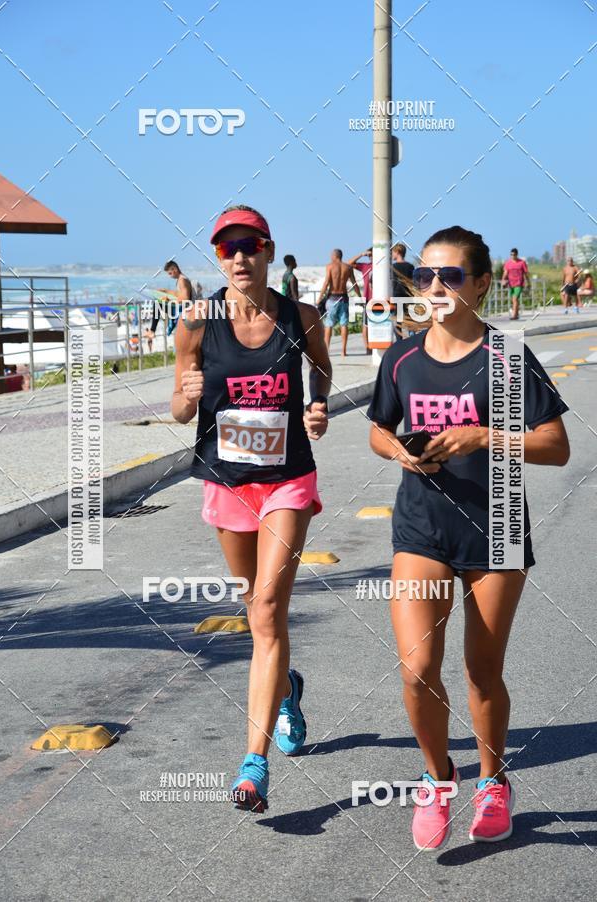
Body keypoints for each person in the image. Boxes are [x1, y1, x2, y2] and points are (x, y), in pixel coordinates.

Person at [367, 225, 569, 851]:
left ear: (481, 283)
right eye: (424, 276)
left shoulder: (507, 358)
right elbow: (377, 429)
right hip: (421, 527)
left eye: (450, 276)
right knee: (416, 668)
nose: (434, 287)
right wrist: (400, 451)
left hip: (498, 525)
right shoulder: (400, 357)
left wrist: (485, 436)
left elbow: (555, 447)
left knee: (482, 672)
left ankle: (492, 780)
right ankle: (436, 779)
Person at [171, 204, 332, 814]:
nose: (239, 256)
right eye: (226, 248)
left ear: (268, 249)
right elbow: (181, 409)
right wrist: (185, 398)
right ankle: (286, 686)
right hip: (226, 481)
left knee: (267, 608)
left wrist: (317, 408)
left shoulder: (302, 317)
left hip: (288, 478)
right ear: (218, 257)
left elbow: (321, 370)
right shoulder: (195, 322)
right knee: (254, 608)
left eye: (250, 245)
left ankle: (252, 764)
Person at [317, 248, 361, 356]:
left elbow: (326, 283)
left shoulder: (330, 266)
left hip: (332, 298)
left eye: (331, 255)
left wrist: (319, 297)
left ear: (334, 256)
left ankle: (326, 350)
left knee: (329, 324)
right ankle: (343, 351)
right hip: (344, 298)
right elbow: (354, 284)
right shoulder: (348, 267)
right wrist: (360, 296)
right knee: (344, 324)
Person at [145, 260, 194, 349]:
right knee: (158, 303)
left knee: (157, 304)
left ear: (175, 269)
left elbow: (186, 298)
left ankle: (152, 331)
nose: (170, 276)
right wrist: (166, 291)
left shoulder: (182, 280)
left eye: (170, 273)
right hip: (181, 308)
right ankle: (153, 330)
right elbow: (179, 294)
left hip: (183, 310)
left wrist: (168, 301)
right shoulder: (181, 279)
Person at [347, 248, 373, 353]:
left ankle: (376, 344)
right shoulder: (365, 266)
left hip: (380, 299)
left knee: (380, 323)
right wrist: (362, 254)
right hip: (367, 298)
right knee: (366, 324)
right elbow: (349, 263)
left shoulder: (382, 265)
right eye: (370, 255)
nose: (371, 257)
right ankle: (367, 348)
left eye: (373, 255)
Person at [501, 248, 530, 320]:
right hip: (511, 284)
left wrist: (528, 282)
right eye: (511, 255)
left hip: (519, 284)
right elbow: (505, 273)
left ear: (517, 255)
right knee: (514, 300)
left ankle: (514, 315)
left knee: (515, 299)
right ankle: (516, 314)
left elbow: (526, 274)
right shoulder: (508, 263)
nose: (512, 256)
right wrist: (503, 280)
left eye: (514, 255)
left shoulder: (522, 263)